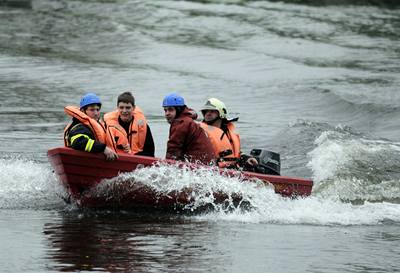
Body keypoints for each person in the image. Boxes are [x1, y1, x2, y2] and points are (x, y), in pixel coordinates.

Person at [199, 98, 258, 169]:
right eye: (206, 111)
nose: (208, 113)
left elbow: (235, 153)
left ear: (221, 113)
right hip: (215, 169)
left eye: (212, 111)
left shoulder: (228, 131)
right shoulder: (200, 131)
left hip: (232, 168)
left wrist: (246, 159)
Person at [162, 93, 215, 165]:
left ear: (179, 110)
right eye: (165, 110)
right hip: (207, 164)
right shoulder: (188, 120)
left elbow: (173, 150)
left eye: (170, 110)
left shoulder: (181, 123)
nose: (167, 113)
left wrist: (165, 166)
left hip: (197, 165)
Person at [64, 93, 118, 161]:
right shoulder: (79, 127)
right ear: (83, 111)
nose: (96, 113)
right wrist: (103, 148)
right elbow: (79, 142)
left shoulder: (97, 125)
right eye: (92, 110)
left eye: (97, 110)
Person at [104, 91, 155, 156]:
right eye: (121, 107)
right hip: (114, 157)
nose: (124, 111)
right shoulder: (107, 125)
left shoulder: (143, 126)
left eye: (128, 108)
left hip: (136, 159)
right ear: (117, 107)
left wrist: (131, 153)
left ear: (133, 108)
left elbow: (150, 153)